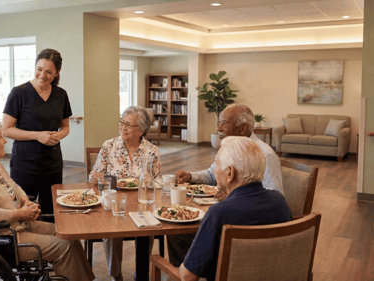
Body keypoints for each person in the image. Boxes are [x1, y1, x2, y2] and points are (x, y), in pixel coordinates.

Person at [0, 117, 94, 281]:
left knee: (69, 235)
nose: (4, 140)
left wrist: (24, 200)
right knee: (63, 246)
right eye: (0, 137)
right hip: (0, 238)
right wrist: (21, 214)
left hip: (16, 227)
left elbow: (14, 185)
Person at [168, 104, 285, 267]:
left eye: (223, 122)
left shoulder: (264, 154)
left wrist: (233, 197)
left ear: (243, 128)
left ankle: (190, 270)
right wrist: (191, 176)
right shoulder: (230, 147)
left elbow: (272, 193)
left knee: (179, 230)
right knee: (178, 231)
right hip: (235, 224)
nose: (218, 127)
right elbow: (212, 174)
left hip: (247, 233)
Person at [179, 136, 292, 281]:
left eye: (217, 164)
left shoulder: (219, 213)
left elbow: (188, 276)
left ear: (230, 173)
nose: (214, 171)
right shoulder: (280, 202)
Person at [88, 105, 162, 281]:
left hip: (141, 202)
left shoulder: (151, 151)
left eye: (129, 125)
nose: (123, 128)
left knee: (149, 226)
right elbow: (93, 175)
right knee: (111, 231)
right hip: (114, 202)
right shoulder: (109, 145)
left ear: (142, 130)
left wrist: (148, 182)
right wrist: (96, 176)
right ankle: (116, 275)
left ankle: (141, 273)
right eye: (122, 123)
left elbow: (158, 181)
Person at [2, 48, 71, 218]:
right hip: (25, 165)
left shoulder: (61, 95)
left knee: (51, 212)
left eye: (49, 72)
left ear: (57, 72)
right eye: (39, 69)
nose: (42, 75)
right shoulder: (19, 93)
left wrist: (57, 136)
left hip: (52, 165)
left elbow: (65, 127)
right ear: (34, 67)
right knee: (25, 211)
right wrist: (37, 135)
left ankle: (51, 243)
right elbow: (6, 129)